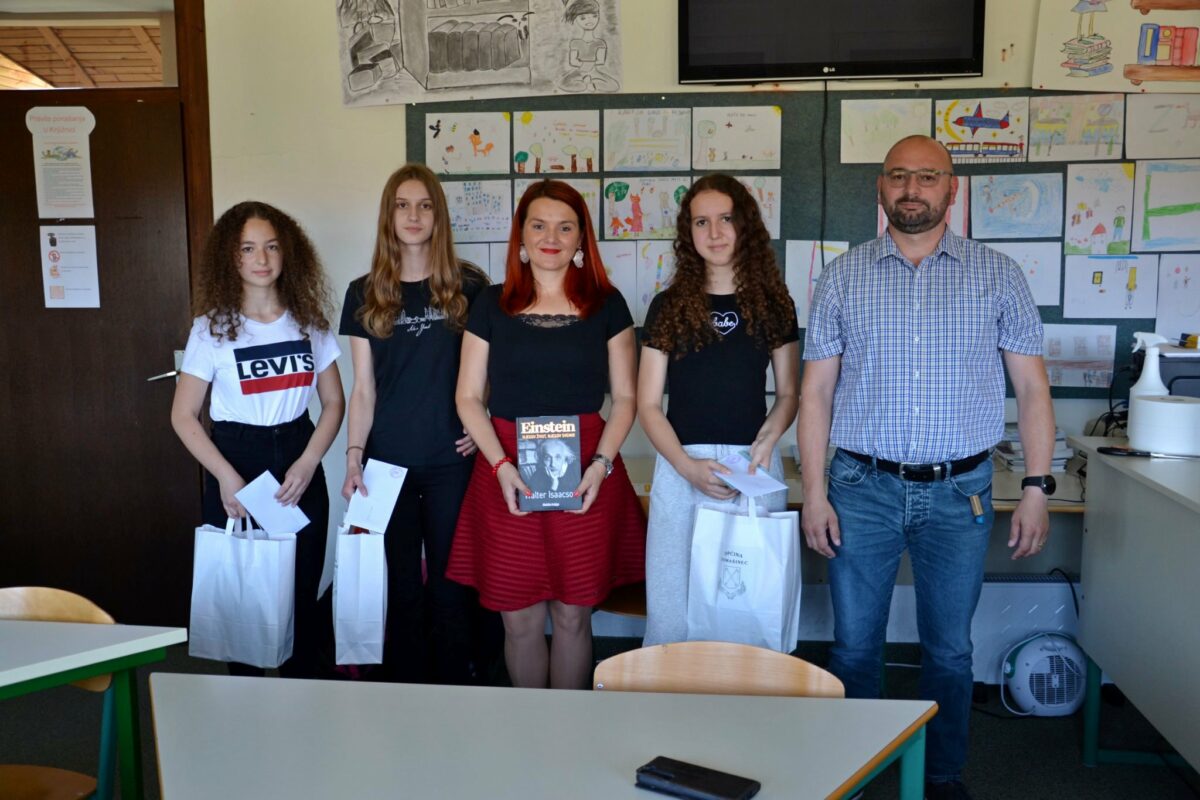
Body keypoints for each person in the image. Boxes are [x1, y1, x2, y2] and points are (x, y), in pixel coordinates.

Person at [798, 135, 1055, 800]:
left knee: (950, 650)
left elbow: (1032, 390)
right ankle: (855, 774)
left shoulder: (998, 274)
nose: (912, 189)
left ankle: (940, 777)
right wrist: (815, 492)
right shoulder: (843, 276)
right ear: (880, 188)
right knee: (855, 647)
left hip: (959, 492)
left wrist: (1036, 486)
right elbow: (816, 393)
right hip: (860, 488)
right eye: (898, 176)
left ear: (952, 188)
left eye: (927, 176)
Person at [446, 179, 646, 690]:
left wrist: (601, 465)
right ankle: (530, 728)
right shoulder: (490, 304)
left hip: (588, 466)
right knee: (519, 618)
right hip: (506, 465)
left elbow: (626, 398)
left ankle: (569, 727)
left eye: (565, 227)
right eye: (538, 225)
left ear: (581, 239)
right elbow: (468, 397)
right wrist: (500, 465)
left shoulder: (608, 304)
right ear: (521, 235)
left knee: (574, 615)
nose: (550, 238)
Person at [172, 200, 344, 679]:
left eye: (271, 246)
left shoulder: (309, 321)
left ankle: (302, 700)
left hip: (298, 461)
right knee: (244, 601)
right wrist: (226, 478)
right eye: (248, 248)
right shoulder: (211, 328)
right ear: (231, 258)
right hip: (236, 463)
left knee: (300, 593)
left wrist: (308, 462)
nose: (262, 258)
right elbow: (183, 415)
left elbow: (334, 403)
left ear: (288, 253)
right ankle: (246, 708)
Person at [340, 163, 498, 684]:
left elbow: (487, 373)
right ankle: (406, 694)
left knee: (453, 588)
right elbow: (363, 389)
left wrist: (481, 424)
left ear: (438, 215)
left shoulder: (470, 286)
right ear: (389, 216)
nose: (413, 216)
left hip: (452, 462)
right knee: (402, 588)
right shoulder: (363, 292)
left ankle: (455, 690)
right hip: (386, 466)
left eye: (424, 205)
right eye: (403, 206)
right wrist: (354, 459)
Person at [638, 174, 799, 646]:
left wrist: (765, 442)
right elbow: (648, 404)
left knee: (747, 614)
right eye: (701, 222)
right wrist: (687, 467)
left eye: (726, 219)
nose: (714, 232)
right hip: (681, 466)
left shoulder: (774, 304)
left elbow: (789, 394)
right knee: (672, 613)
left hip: (752, 465)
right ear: (688, 232)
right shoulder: (668, 305)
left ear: (745, 224)